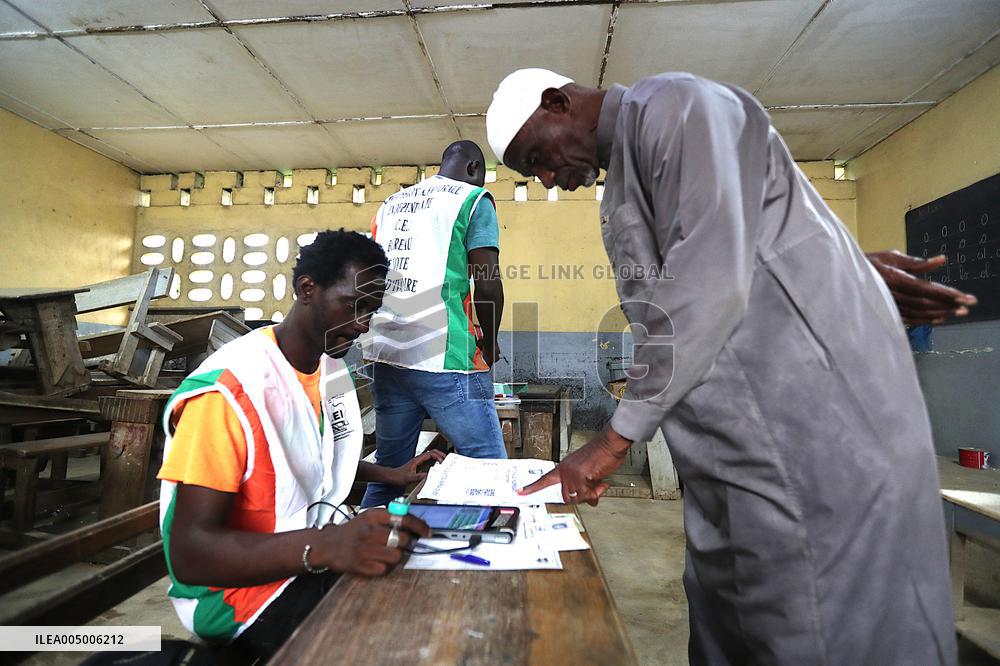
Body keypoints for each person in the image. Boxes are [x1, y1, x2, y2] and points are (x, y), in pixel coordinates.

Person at [488, 69, 959, 665]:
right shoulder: (624, 180)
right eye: (536, 177)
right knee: (733, 631)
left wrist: (610, 442)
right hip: (725, 460)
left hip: (804, 448)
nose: (552, 179)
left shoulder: (672, 107)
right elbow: (743, 245)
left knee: (820, 630)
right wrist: (839, 266)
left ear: (558, 103)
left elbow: (707, 279)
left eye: (540, 159)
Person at [157, 229, 439, 662]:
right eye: (354, 305)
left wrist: (391, 474)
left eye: (372, 310)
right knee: (405, 636)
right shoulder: (230, 391)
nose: (363, 323)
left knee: (423, 586)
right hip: (237, 595)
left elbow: (303, 454)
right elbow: (191, 553)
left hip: (305, 553)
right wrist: (328, 546)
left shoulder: (324, 366)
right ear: (308, 289)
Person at [360, 140, 507, 508]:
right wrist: (489, 342)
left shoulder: (390, 205)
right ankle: (494, 558)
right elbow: (487, 281)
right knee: (488, 471)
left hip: (386, 354)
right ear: (475, 168)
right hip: (446, 355)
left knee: (391, 471)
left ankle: (364, 554)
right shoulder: (473, 199)